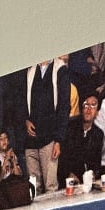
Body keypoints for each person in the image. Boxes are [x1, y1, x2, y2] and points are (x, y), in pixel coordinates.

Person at [20, 58, 71, 194]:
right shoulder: (30, 70)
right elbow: (21, 101)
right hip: (31, 140)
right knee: (34, 189)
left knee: (50, 186)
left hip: (50, 138)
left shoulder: (60, 69)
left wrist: (59, 140)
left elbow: (64, 107)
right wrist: (25, 120)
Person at [57, 94, 104, 186]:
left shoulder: (98, 134)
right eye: (86, 105)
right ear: (81, 108)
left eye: (93, 106)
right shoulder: (70, 128)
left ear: (97, 112)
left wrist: (93, 174)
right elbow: (62, 159)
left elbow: (96, 163)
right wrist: (69, 174)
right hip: (66, 179)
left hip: (86, 182)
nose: (89, 110)